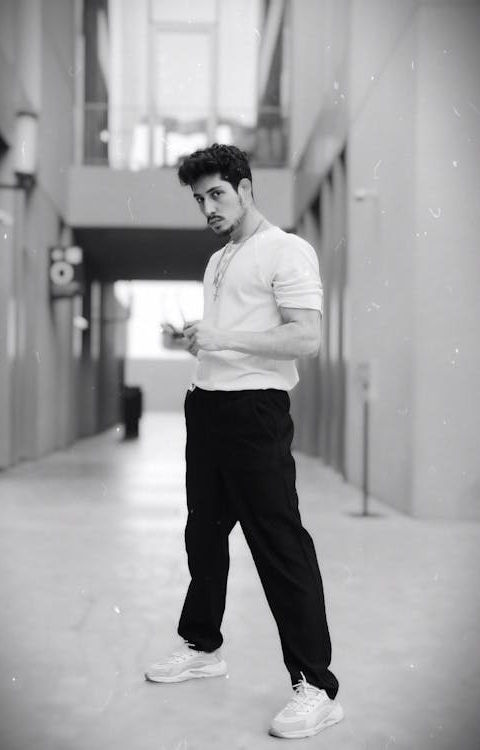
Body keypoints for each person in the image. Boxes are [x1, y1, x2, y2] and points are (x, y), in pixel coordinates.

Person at [145, 144, 343, 740]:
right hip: (206, 408)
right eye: (199, 198)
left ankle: (317, 686)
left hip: (255, 412)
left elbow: (305, 337)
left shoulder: (286, 250)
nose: (207, 206)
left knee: (278, 544)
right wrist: (195, 340)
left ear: (246, 187)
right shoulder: (220, 259)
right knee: (203, 536)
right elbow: (232, 339)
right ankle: (203, 647)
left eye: (217, 194)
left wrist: (223, 337)